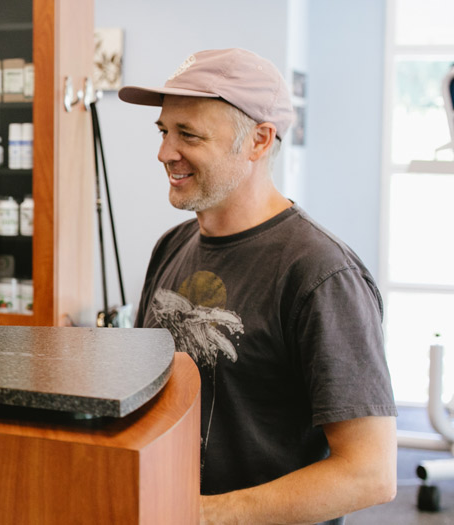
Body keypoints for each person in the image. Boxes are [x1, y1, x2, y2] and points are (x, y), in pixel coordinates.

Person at [120, 48, 397, 524]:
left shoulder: (322, 274)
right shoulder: (171, 246)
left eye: (188, 134)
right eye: (164, 131)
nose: (165, 152)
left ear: (260, 141)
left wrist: (200, 516)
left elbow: (368, 472)